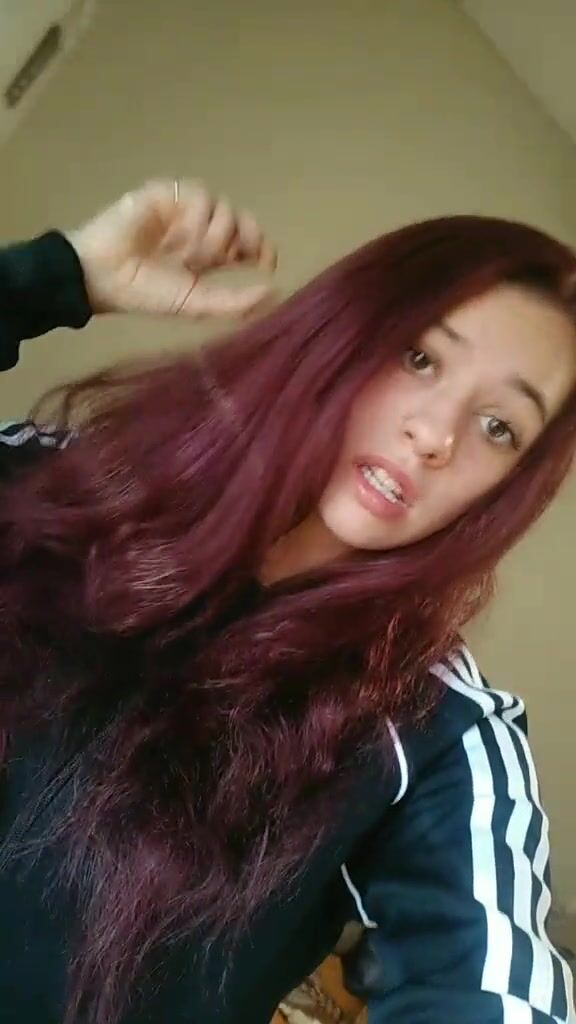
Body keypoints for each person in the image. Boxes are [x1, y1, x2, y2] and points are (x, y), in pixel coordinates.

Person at [0, 180, 574, 1024]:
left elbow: (489, 983)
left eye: (500, 428)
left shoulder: (438, 734)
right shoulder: (59, 484)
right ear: (340, 334)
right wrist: (59, 275)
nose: (436, 435)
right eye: (419, 358)